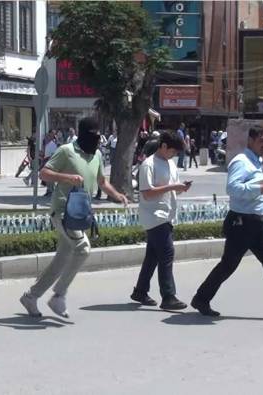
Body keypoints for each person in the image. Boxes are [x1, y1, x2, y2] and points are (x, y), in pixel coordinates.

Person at [191, 126, 263, 320]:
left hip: (259, 221)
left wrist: (262, 194)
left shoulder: (258, 160)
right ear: (251, 141)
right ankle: (201, 298)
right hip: (242, 222)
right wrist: (258, 189)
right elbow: (232, 188)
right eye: (262, 141)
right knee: (228, 265)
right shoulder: (241, 161)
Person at [20, 117, 129, 318]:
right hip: (61, 211)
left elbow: (102, 181)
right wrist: (67, 178)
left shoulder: (96, 155)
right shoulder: (66, 151)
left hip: (79, 214)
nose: (96, 140)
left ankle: (31, 296)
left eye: (98, 136)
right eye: (93, 136)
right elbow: (44, 173)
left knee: (61, 260)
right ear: (83, 134)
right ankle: (58, 295)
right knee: (82, 248)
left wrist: (117, 194)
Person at [131, 131, 191, 310]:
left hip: (167, 214)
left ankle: (140, 291)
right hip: (154, 216)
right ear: (163, 146)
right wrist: (173, 187)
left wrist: (180, 188)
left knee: (153, 256)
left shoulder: (170, 164)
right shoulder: (148, 165)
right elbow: (147, 193)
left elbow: (173, 188)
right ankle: (168, 295)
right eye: (172, 151)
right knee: (166, 254)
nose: (174, 155)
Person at [43, 130, 59, 197]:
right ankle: (49, 190)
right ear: (49, 133)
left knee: (51, 176)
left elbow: (58, 148)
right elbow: (43, 148)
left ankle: (52, 190)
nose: (53, 134)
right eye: (52, 133)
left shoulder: (56, 141)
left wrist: (57, 140)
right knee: (47, 176)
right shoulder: (46, 140)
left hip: (53, 159)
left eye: (54, 133)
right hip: (47, 158)